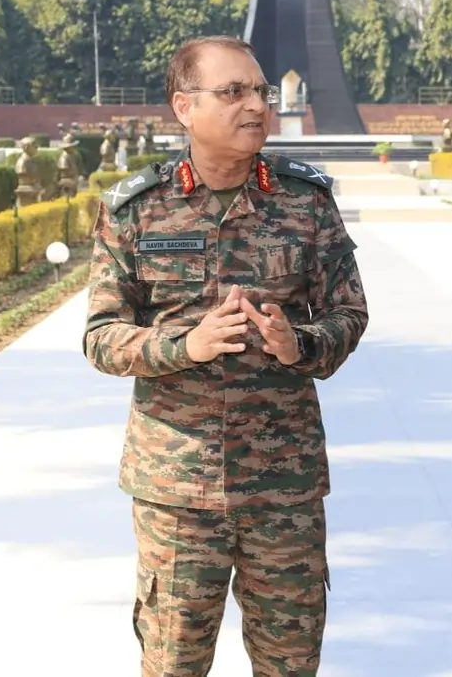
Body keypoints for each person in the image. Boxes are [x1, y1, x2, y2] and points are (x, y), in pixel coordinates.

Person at [83, 35, 369, 677]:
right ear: (184, 106)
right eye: (232, 92)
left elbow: (350, 314)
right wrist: (185, 346)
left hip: (283, 484)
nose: (255, 106)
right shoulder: (136, 210)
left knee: (290, 663)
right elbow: (101, 337)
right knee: (174, 664)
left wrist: (303, 345)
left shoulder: (305, 203)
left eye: (260, 91)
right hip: (177, 491)